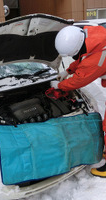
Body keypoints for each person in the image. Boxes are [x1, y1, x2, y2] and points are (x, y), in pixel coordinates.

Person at [51, 25, 106, 177]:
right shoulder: (90, 35)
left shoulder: (97, 58)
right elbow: (83, 56)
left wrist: (60, 85)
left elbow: (79, 80)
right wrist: (67, 71)